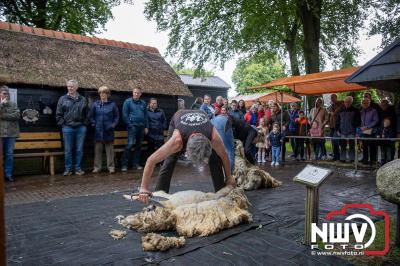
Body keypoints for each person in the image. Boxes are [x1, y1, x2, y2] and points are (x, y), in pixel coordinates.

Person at [137, 109, 236, 202]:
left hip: (200, 115)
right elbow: (151, 160)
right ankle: (160, 196)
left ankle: (222, 197)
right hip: (179, 117)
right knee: (169, 161)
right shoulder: (177, 141)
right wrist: (143, 188)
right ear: (186, 149)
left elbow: (224, 156)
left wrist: (228, 177)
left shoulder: (214, 138)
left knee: (215, 160)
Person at [56, 79, 88, 176]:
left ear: (76, 87)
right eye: (68, 86)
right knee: (68, 150)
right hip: (67, 128)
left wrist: (84, 124)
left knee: (79, 149)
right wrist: (63, 124)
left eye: (72, 86)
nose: (70, 88)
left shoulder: (83, 99)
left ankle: (78, 168)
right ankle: (68, 169)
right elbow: (58, 114)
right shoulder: (62, 99)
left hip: (80, 128)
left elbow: (88, 114)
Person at [89, 86, 119, 174]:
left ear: (108, 94)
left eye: (104, 93)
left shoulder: (112, 105)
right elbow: (91, 116)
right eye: (101, 93)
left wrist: (113, 125)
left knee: (109, 150)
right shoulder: (95, 104)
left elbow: (117, 117)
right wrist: (94, 124)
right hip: (98, 131)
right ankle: (97, 167)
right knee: (97, 150)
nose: (102, 94)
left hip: (108, 131)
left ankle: (111, 167)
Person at [121, 86, 149, 171]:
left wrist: (146, 126)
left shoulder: (143, 103)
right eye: (135, 92)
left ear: (140, 94)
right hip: (132, 127)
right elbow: (124, 115)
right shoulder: (127, 102)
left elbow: (146, 115)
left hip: (141, 127)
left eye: (138, 93)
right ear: (133, 93)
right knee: (129, 145)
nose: (136, 94)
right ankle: (124, 165)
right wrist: (130, 125)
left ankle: (136, 164)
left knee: (139, 146)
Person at [0, 85, 20, 182]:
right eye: (4, 93)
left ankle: (8, 174)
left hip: (11, 134)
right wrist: (1, 104)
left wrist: (3, 116)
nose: (6, 95)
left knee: (9, 155)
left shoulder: (13, 104)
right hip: (0, 134)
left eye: (7, 93)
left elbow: (17, 115)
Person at [336, 96, 361, 163]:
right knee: (342, 145)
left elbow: (358, 121)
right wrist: (337, 130)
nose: (347, 103)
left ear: (351, 102)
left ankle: (352, 159)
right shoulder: (340, 110)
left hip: (352, 131)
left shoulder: (356, 110)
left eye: (348, 102)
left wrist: (354, 128)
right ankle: (342, 158)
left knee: (352, 145)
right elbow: (337, 121)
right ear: (344, 102)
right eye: (346, 101)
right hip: (342, 131)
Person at [211, 106, 235, 171]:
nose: (223, 112)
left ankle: (225, 172)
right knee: (229, 151)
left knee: (224, 152)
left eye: (224, 110)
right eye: (222, 110)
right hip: (223, 135)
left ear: (227, 111)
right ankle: (229, 173)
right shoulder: (221, 118)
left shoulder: (227, 118)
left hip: (221, 135)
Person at [360, 98, 379, 165]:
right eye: (363, 103)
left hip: (372, 131)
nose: (365, 104)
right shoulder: (361, 111)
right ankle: (365, 159)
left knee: (372, 146)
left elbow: (375, 120)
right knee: (364, 146)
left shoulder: (373, 111)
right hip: (364, 132)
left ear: (369, 103)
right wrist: (362, 127)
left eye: (366, 103)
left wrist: (367, 127)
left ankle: (373, 161)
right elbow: (361, 121)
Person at [327, 94, 343, 161]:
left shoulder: (341, 103)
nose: (332, 99)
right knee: (333, 142)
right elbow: (329, 114)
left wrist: (334, 112)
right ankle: (335, 156)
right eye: (331, 98)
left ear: (336, 98)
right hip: (331, 126)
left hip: (337, 126)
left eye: (333, 97)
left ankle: (339, 156)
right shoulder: (331, 106)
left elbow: (343, 104)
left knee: (336, 140)